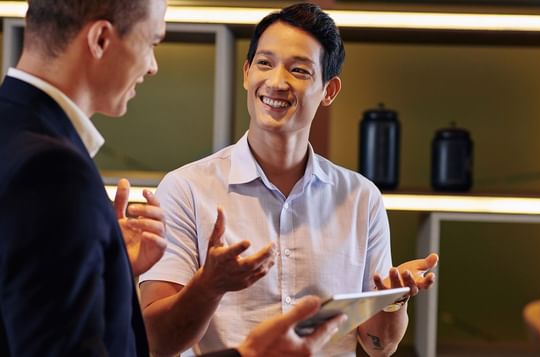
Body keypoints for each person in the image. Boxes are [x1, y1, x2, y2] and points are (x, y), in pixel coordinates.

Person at [0, 0, 346, 356]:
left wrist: (106, 263)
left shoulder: (16, 134)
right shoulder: (53, 169)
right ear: (101, 39)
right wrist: (251, 355)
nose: (152, 67)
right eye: (152, 42)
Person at [139, 3, 439, 357]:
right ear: (246, 73)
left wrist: (391, 300)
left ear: (329, 90)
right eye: (265, 64)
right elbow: (155, 341)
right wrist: (210, 285)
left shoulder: (361, 198)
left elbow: (380, 346)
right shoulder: (186, 189)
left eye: (299, 70)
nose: (277, 82)